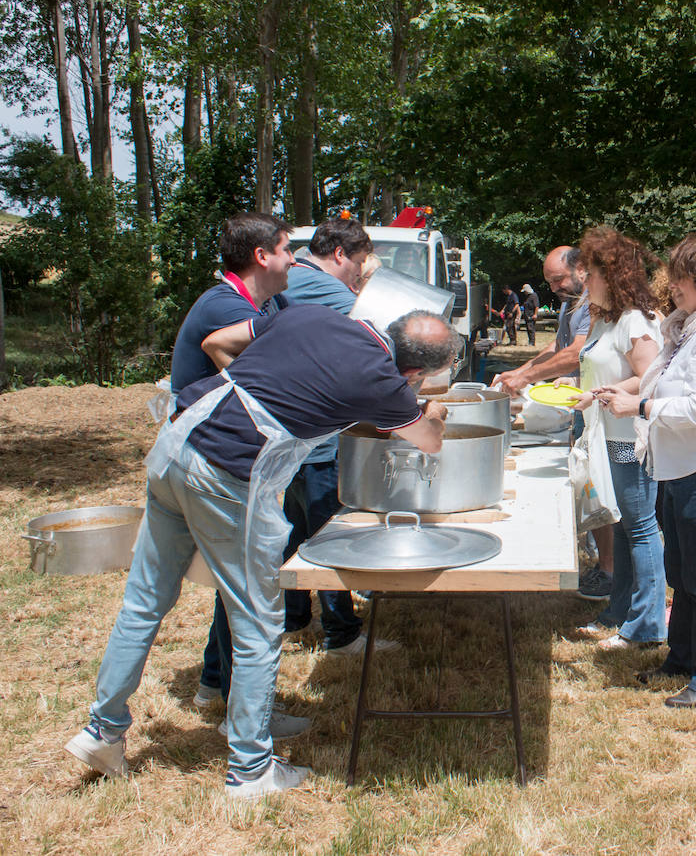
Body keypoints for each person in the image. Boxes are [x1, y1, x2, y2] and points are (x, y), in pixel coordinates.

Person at [64, 306, 457, 798]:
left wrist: (258, 394)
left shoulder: (318, 316)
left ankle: (103, 731)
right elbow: (429, 443)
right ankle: (250, 768)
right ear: (416, 372)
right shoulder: (385, 381)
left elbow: (221, 342)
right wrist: (433, 413)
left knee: (144, 601)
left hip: (178, 442)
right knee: (258, 622)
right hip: (227, 473)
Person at [597, 230, 696, 707]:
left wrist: (640, 409)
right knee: (682, 573)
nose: (672, 287)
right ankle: (682, 660)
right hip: (684, 466)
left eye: (681, 278)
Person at [168, 214, 298, 718]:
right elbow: (278, 374)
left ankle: (213, 683)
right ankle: (239, 713)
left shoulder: (268, 303)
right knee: (248, 589)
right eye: (287, 249)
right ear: (262, 256)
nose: (294, 259)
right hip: (212, 465)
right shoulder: (224, 307)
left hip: (229, 461)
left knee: (232, 584)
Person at [277, 217, 397, 659]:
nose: (358, 273)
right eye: (358, 263)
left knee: (294, 529)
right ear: (341, 255)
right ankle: (341, 633)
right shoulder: (321, 285)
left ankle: (293, 618)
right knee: (330, 534)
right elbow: (387, 327)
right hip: (316, 439)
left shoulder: (290, 280)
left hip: (289, 438)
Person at [563, 227, 666, 652]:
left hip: (631, 437)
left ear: (615, 275)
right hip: (604, 434)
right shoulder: (605, 319)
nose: (585, 281)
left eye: (592, 273)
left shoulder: (635, 321)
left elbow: (652, 378)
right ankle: (619, 612)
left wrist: (601, 395)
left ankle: (646, 625)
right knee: (622, 528)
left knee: (640, 529)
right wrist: (583, 392)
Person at [493, 248, 609, 599]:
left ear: (580, 270)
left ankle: (611, 572)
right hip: (578, 403)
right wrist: (522, 371)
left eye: (558, 279)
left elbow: (576, 353)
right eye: (549, 282)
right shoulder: (568, 301)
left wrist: (527, 377)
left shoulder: (593, 302)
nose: (554, 287)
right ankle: (602, 558)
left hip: (598, 405)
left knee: (600, 487)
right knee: (587, 483)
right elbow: (557, 348)